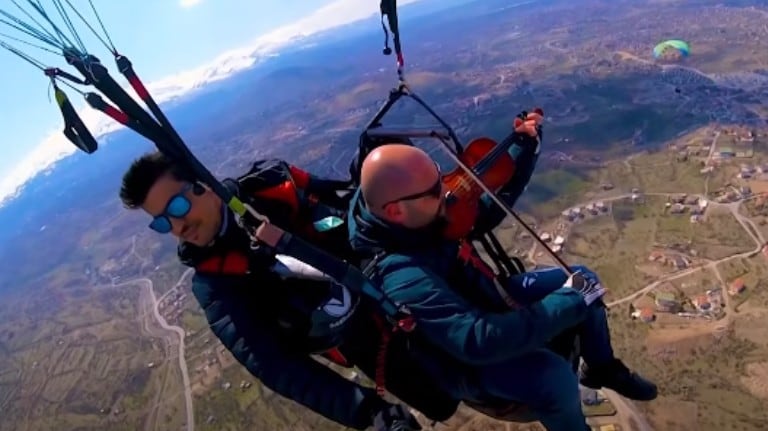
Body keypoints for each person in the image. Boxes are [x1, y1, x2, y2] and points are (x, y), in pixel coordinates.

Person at [346, 114, 658, 431]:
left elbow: (488, 205)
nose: (446, 194)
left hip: (486, 295)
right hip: (464, 361)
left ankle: (602, 368)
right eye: (434, 191)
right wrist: (570, 302)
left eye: (440, 179)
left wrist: (523, 147)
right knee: (554, 378)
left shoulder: (414, 214)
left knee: (581, 276)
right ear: (395, 210)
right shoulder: (401, 276)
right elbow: (478, 340)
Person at [118, 152, 431, 431]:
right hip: (369, 344)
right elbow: (271, 363)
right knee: (440, 397)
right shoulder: (215, 284)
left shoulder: (270, 187)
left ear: (204, 185)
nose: (176, 227)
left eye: (177, 206)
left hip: (403, 279)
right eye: (161, 223)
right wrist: (370, 412)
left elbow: (346, 201)